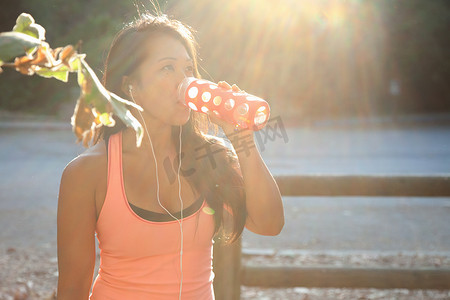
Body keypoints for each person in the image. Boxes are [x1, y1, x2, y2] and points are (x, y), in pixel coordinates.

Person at [56, 11, 284, 300]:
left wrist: (241, 138)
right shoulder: (87, 173)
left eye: (188, 69)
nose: (184, 81)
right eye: (167, 68)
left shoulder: (210, 157)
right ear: (130, 86)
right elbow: (72, 290)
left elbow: (270, 224)